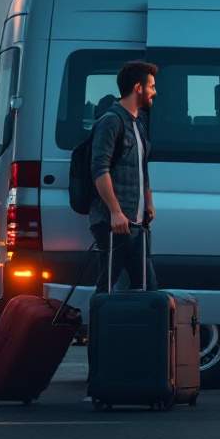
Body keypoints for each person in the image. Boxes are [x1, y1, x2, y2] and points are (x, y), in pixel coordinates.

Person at [90, 60, 158, 292]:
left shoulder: (137, 124)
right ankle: (98, 327)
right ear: (138, 88)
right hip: (115, 224)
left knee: (147, 287)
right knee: (107, 286)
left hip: (135, 223)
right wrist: (115, 212)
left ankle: (138, 328)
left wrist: (148, 201)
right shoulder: (111, 121)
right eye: (151, 86)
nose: (154, 92)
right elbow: (100, 169)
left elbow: (142, 167)